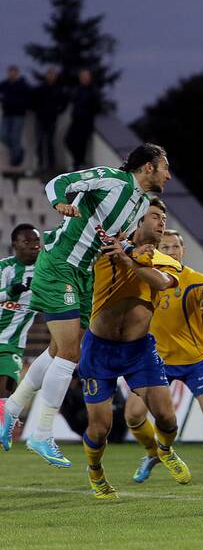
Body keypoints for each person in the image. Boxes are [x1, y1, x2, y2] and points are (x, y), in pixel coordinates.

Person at [0, 143, 170, 466]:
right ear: (148, 167)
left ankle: (10, 411)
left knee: (56, 351)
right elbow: (57, 183)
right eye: (165, 167)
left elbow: (115, 237)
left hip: (83, 274)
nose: (169, 175)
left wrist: (123, 247)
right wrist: (61, 203)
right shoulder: (112, 180)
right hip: (60, 264)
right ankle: (41, 433)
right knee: (70, 353)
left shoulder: (140, 204)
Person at [78, 197, 192, 499]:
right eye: (154, 216)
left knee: (167, 418)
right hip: (98, 349)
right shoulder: (106, 248)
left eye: (164, 218)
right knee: (100, 428)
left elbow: (164, 282)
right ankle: (95, 471)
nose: (161, 222)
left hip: (138, 350)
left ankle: (164, 450)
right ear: (137, 222)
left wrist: (129, 258)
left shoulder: (165, 259)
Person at [123, 228, 203, 484]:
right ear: (156, 251)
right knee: (132, 415)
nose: (170, 251)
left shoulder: (192, 279)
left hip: (193, 361)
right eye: (164, 247)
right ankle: (154, 453)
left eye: (175, 246)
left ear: (183, 251)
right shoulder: (144, 277)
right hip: (156, 361)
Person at [0, 225, 41, 401]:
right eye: (27, 241)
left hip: (11, 345)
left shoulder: (45, 271)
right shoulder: (5, 267)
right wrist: (10, 292)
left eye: (36, 240)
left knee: (5, 397)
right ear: (15, 245)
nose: (34, 245)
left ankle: (3, 427)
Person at [64, 69, 103, 169]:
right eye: (83, 77)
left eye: (86, 77)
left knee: (81, 144)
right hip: (76, 121)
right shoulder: (78, 89)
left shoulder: (93, 90)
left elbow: (96, 106)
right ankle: (78, 162)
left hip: (86, 122)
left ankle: (79, 164)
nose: (84, 79)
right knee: (68, 140)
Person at [33, 67, 68, 175]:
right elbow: (33, 100)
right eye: (49, 75)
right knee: (39, 142)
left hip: (52, 119)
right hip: (40, 118)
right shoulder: (41, 88)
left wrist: (58, 111)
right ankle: (40, 163)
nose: (51, 77)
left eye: (53, 75)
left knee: (50, 143)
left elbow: (64, 102)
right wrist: (37, 110)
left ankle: (51, 165)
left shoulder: (59, 89)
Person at [0, 65, 32, 173]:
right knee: (3, 136)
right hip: (7, 114)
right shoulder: (4, 84)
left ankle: (15, 160)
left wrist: (24, 106)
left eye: (14, 72)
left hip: (18, 115)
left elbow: (30, 97)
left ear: (17, 73)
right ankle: (19, 152)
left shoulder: (22, 85)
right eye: (10, 72)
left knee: (15, 137)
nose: (12, 74)